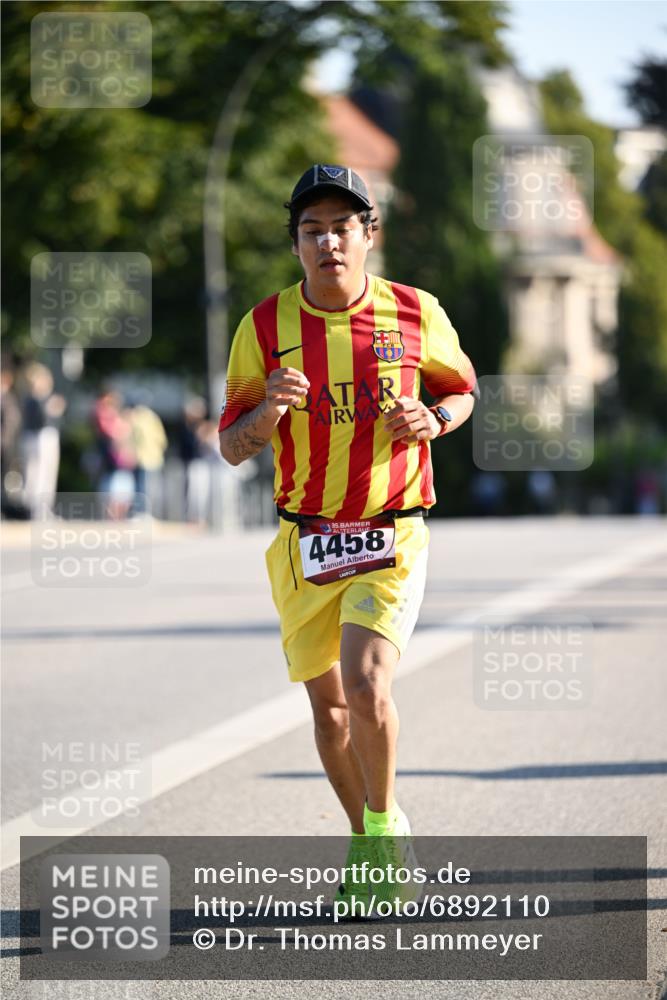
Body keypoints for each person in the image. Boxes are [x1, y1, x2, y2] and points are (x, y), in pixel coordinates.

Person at [218, 165, 477, 911]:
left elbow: (461, 388)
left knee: (366, 686)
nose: (327, 242)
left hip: (390, 528)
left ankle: (382, 835)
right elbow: (231, 444)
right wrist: (267, 412)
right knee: (330, 716)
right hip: (303, 541)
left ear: (369, 235)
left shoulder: (413, 311)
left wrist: (436, 419)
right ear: (295, 244)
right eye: (312, 231)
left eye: (342, 228)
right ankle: (371, 839)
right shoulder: (263, 328)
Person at [19, 362, 66, 519]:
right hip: (39, 437)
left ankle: (43, 508)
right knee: (38, 473)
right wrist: (51, 407)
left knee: (46, 473)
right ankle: (37, 509)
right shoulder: (34, 399)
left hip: (44, 436)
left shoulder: (39, 398)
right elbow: (41, 419)